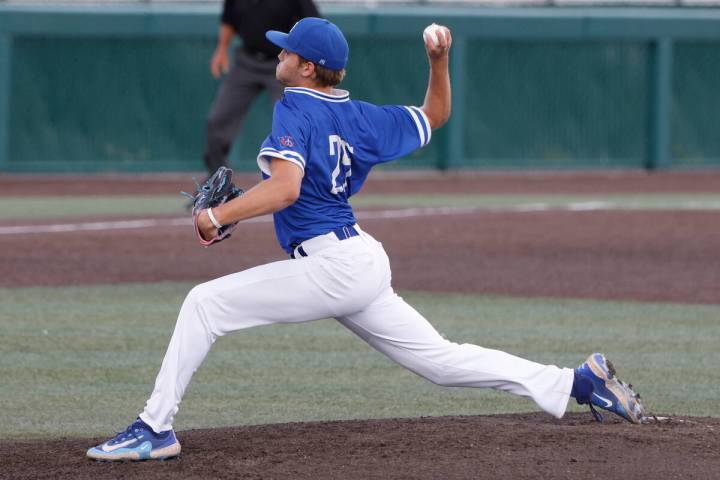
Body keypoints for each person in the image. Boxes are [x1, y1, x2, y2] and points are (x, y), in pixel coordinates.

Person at [87, 18, 645, 461]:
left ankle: (154, 429)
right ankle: (578, 382)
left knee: (203, 303)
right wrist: (439, 60)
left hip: (333, 266)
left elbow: (284, 189)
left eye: (285, 52)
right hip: (359, 261)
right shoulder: (362, 116)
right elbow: (436, 112)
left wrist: (218, 217)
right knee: (442, 362)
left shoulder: (295, 108)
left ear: (306, 67)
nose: (277, 56)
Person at [202, 0, 320, 176]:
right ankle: (216, 184)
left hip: (283, 63)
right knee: (218, 120)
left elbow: (313, 24)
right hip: (246, 61)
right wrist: (222, 48)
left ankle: (300, 183)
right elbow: (229, 20)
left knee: (292, 124)